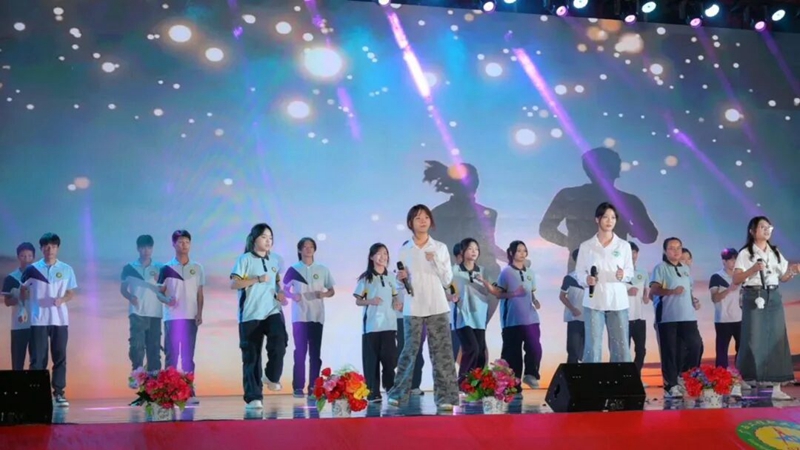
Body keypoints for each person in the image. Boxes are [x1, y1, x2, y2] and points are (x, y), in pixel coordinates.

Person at [540, 147, 658, 272]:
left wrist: (571, 243)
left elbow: (650, 236)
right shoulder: (568, 196)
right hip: (586, 271)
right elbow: (546, 229)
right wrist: (571, 243)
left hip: (611, 270)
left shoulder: (569, 195)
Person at [388, 204, 459, 410]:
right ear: (410, 223)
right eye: (418, 218)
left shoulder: (440, 247)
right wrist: (400, 279)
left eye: (426, 217)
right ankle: (398, 394)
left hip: (437, 305)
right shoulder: (405, 249)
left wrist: (434, 260)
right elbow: (401, 283)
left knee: (442, 353)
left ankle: (446, 398)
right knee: (408, 351)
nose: (423, 221)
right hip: (413, 307)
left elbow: (447, 280)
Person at [424, 161, 504, 322]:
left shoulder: (488, 214)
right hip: (453, 280)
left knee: (475, 329)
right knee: (460, 329)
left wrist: (512, 259)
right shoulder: (438, 214)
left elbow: (488, 245)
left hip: (485, 278)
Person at [733, 216, 800, 401]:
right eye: (762, 227)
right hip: (754, 295)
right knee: (751, 339)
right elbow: (736, 279)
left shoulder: (775, 252)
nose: (766, 229)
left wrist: (793, 271)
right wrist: (752, 270)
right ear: (752, 231)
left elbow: (783, 277)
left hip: (773, 295)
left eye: (768, 227)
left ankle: (777, 388)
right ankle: (738, 383)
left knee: (777, 340)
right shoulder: (745, 253)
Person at [230, 223, 289, 410]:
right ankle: (253, 397)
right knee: (252, 357)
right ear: (254, 239)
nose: (268, 241)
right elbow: (234, 284)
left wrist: (280, 293)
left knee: (280, 341)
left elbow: (277, 284)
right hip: (250, 314)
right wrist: (257, 279)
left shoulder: (275, 260)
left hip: (272, 310)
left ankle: (271, 376)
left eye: (270, 237)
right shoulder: (245, 259)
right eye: (264, 237)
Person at [21, 233, 77, 407]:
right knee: (37, 359)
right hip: (38, 319)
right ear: (41, 248)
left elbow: (71, 292)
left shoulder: (67, 269)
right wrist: (23, 308)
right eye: (46, 246)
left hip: (60, 320)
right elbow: (23, 289)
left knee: (59, 357)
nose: (49, 249)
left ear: (57, 248)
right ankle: (36, 394)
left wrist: (63, 299)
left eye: (53, 246)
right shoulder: (32, 269)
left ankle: (59, 393)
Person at [575, 202, 634, 363]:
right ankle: (592, 378)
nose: (609, 221)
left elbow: (630, 271)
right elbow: (579, 272)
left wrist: (623, 274)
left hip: (618, 300)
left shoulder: (624, 246)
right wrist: (586, 279)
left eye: (613, 217)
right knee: (593, 345)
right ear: (597, 219)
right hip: (594, 300)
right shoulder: (586, 246)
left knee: (621, 346)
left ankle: (621, 378)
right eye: (606, 217)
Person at [649, 237, 702, 399]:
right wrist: (671, 292)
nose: (676, 251)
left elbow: (688, 290)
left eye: (678, 247)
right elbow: (654, 290)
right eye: (672, 248)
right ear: (665, 251)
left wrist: (693, 300)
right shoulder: (660, 268)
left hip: (688, 316)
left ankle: (684, 376)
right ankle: (670, 385)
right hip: (667, 317)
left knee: (696, 345)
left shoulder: (685, 269)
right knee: (670, 352)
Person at [284, 237, 336, 398]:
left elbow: (331, 290)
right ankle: (298, 387)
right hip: (299, 316)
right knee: (300, 352)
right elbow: (284, 290)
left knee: (315, 353)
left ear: (314, 249)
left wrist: (324, 294)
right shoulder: (293, 269)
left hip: (317, 316)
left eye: (311, 246)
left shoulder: (322, 269)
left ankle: (314, 386)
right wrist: (293, 296)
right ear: (299, 250)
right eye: (305, 247)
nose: (308, 249)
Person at [158, 230, 204, 404]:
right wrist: (166, 300)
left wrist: (199, 313)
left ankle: (188, 392)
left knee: (188, 357)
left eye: (187, 242)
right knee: (171, 356)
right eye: (180, 242)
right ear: (173, 244)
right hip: (172, 318)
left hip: (190, 317)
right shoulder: (166, 268)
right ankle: (169, 393)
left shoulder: (197, 268)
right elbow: (159, 292)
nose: (184, 245)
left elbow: (200, 293)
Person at [354, 243, 400, 403]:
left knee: (390, 358)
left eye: (385, 253)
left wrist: (396, 302)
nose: (383, 257)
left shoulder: (391, 277)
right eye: (379, 253)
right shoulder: (366, 278)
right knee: (371, 361)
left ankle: (390, 386)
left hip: (389, 325)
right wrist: (371, 301)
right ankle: (373, 392)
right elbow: (358, 301)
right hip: (372, 326)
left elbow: (395, 295)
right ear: (371, 257)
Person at [496, 240, 542, 388]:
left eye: (524, 250)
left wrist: (535, 301)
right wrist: (514, 293)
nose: (522, 253)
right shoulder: (506, 273)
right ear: (511, 253)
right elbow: (499, 294)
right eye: (519, 251)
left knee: (535, 347)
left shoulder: (530, 273)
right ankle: (513, 387)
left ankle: (530, 374)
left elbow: (531, 292)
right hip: (512, 320)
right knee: (513, 354)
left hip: (531, 318)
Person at [120, 235, 164, 377]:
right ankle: (137, 375)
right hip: (137, 312)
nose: (146, 251)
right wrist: (130, 297)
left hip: (155, 312)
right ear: (138, 248)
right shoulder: (129, 268)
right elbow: (123, 289)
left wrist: (160, 281)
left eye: (149, 247)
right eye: (143, 247)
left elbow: (166, 290)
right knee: (137, 346)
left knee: (154, 348)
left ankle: (154, 382)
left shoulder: (160, 268)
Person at [450, 238, 494, 382]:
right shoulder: (454, 270)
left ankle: (477, 385)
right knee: (472, 348)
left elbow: (492, 290)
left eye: (476, 249)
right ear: (462, 251)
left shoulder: (482, 271)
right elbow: (446, 288)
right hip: (462, 316)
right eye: (470, 248)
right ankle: (462, 383)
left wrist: (484, 282)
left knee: (480, 352)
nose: (474, 251)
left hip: (479, 317)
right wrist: (451, 296)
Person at [395, 240, 426, 396]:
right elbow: (392, 295)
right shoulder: (395, 274)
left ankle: (415, 385)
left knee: (418, 351)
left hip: (420, 316)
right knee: (403, 351)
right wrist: (396, 303)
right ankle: (401, 384)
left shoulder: (422, 274)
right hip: (401, 318)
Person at [2, 242, 35, 370]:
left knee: (36, 363)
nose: (26, 259)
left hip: (37, 325)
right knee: (17, 363)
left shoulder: (40, 278)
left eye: (29, 256)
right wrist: (19, 297)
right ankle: (17, 383)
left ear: (33, 257)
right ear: (18, 257)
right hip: (18, 325)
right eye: (23, 256)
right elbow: (7, 302)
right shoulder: (11, 278)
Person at [710, 248, 742, 369]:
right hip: (723, 320)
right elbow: (714, 298)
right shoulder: (716, 277)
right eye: (731, 260)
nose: (734, 263)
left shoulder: (740, 276)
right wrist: (729, 289)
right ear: (724, 261)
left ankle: (741, 374)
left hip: (740, 318)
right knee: (722, 351)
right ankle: (721, 377)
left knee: (742, 349)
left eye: (736, 260)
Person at [627, 242, 650, 381]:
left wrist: (646, 297)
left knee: (641, 351)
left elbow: (646, 292)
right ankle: (624, 380)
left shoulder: (642, 272)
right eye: (630, 253)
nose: (632, 255)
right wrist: (627, 291)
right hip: (624, 318)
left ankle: (635, 377)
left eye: (635, 252)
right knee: (624, 352)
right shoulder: (619, 273)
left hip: (639, 318)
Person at [559, 249, 584, 364]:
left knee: (587, 352)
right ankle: (571, 374)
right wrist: (573, 309)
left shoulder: (593, 278)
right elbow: (562, 296)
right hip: (575, 319)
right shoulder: (569, 278)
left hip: (589, 319)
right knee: (573, 351)